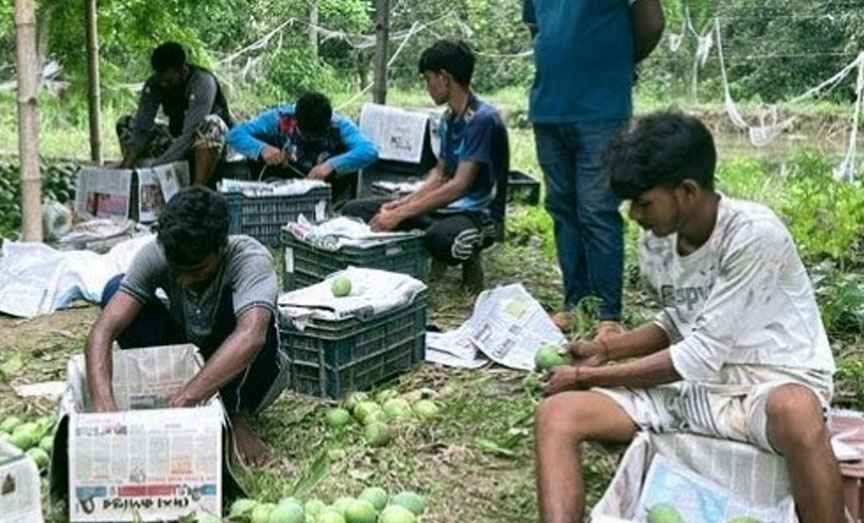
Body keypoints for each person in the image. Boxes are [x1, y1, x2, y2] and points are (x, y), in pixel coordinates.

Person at [501, 112, 857, 523]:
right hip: (695, 391)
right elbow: (678, 321)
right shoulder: (662, 239)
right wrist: (607, 351)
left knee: (798, 412)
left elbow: (694, 356)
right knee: (558, 415)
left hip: (764, 383)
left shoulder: (753, 235)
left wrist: (589, 375)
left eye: (642, 203)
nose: (635, 217)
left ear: (687, 191)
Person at [86, 187, 287, 464]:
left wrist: (186, 399)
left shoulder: (249, 260)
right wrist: (102, 401)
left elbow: (251, 337)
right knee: (114, 290)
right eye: (176, 269)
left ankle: (235, 415)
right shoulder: (156, 254)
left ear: (221, 248)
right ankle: (197, 398)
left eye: (196, 271)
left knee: (252, 319)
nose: (183, 280)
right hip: (190, 353)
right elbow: (103, 330)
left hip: (245, 374)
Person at [522, 0, 665, 338]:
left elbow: (651, 23)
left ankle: (607, 313)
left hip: (601, 109)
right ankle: (576, 304)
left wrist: (617, 62)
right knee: (562, 208)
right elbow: (536, 28)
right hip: (549, 108)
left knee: (597, 208)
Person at [340, 40, 508, 292]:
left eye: (428, 79)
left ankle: (469, 246)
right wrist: (403, 203)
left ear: (444, 78)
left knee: (441, 238)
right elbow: (440, 174)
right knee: (354, 210)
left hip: (477, 214)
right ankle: (430, 237)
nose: (427, 86)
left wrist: (400, 215)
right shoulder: (449, 118)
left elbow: (459, 186)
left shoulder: (482, 120)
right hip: (445, 209)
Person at [117, 42, 235, 186]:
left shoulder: (202, 82)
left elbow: (191, 133)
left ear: (181, 70)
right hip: (176, 140)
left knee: (210, 125)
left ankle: (197, 188)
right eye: (160, 79)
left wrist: (157, 166)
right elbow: (142, 127)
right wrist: (125, 168)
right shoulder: (154, 84)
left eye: (169, 80)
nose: (164, 84)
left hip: (212, 144)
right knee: (126, 123)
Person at [227, 91, 378, 203]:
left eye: (316, 136)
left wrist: (331, 165)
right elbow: (234, 134)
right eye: (306, 134)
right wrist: (262, 148)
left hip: (324, 188)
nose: (310, 139)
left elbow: (369, 151)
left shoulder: (340, 125)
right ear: (296, 121)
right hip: (282, 182)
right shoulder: (279, 118)